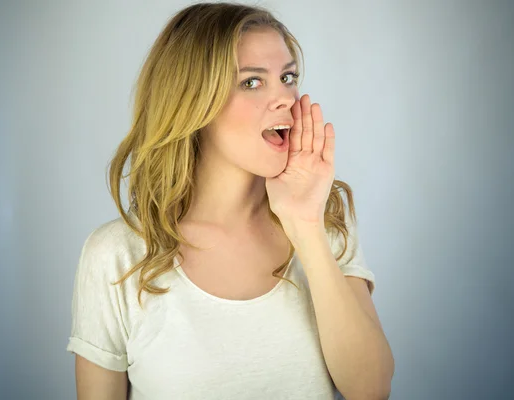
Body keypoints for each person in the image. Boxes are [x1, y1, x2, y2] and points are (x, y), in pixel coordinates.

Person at [65, 2, 394, 399]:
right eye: (252, 82)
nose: (286, 98)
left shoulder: (325, 224)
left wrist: (305, 227)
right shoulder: (116, 255)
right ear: (193, 103)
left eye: (288, 76)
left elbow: (371, 389)